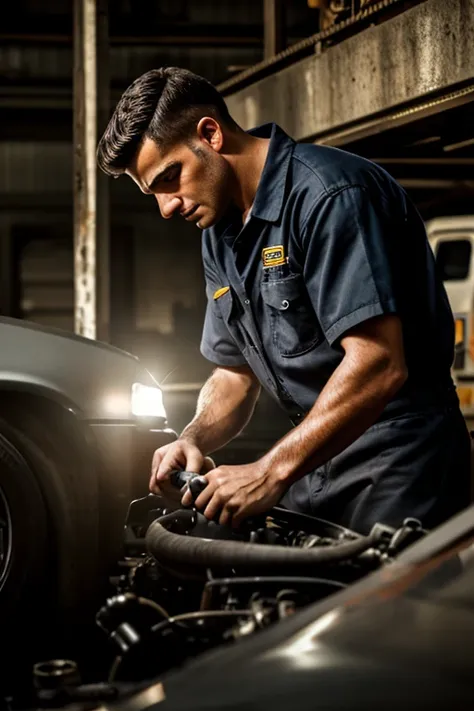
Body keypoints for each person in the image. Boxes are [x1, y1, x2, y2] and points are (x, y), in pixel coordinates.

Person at [97, 67, 471, 535]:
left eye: (171, 177)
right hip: (311, 460)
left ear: (210, 133)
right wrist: (191, 438)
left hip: (399, 463)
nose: (167, 206)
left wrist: (268, 472)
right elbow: (234, 374)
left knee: (381, 607)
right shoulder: (219, 232)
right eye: (154, 192)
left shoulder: (332, 196)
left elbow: (379, 364)